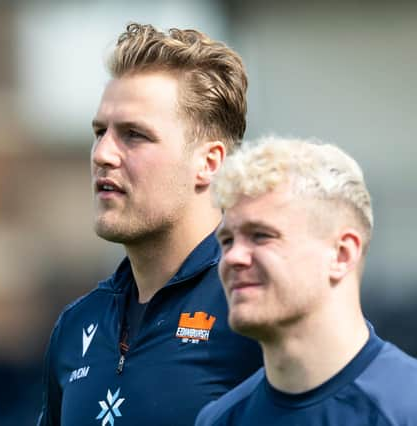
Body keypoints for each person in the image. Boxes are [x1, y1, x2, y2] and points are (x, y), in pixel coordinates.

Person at [37, 23, 262, 426]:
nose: (102, 153)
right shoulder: (76, 325)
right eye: (99, 132)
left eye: (134, 135)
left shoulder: (262, 306)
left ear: (208, 163)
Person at [196, 137, 417, 426]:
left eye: (261, 236)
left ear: (342, 254)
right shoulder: (219, 419)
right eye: (226, 241)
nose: (233, 257)